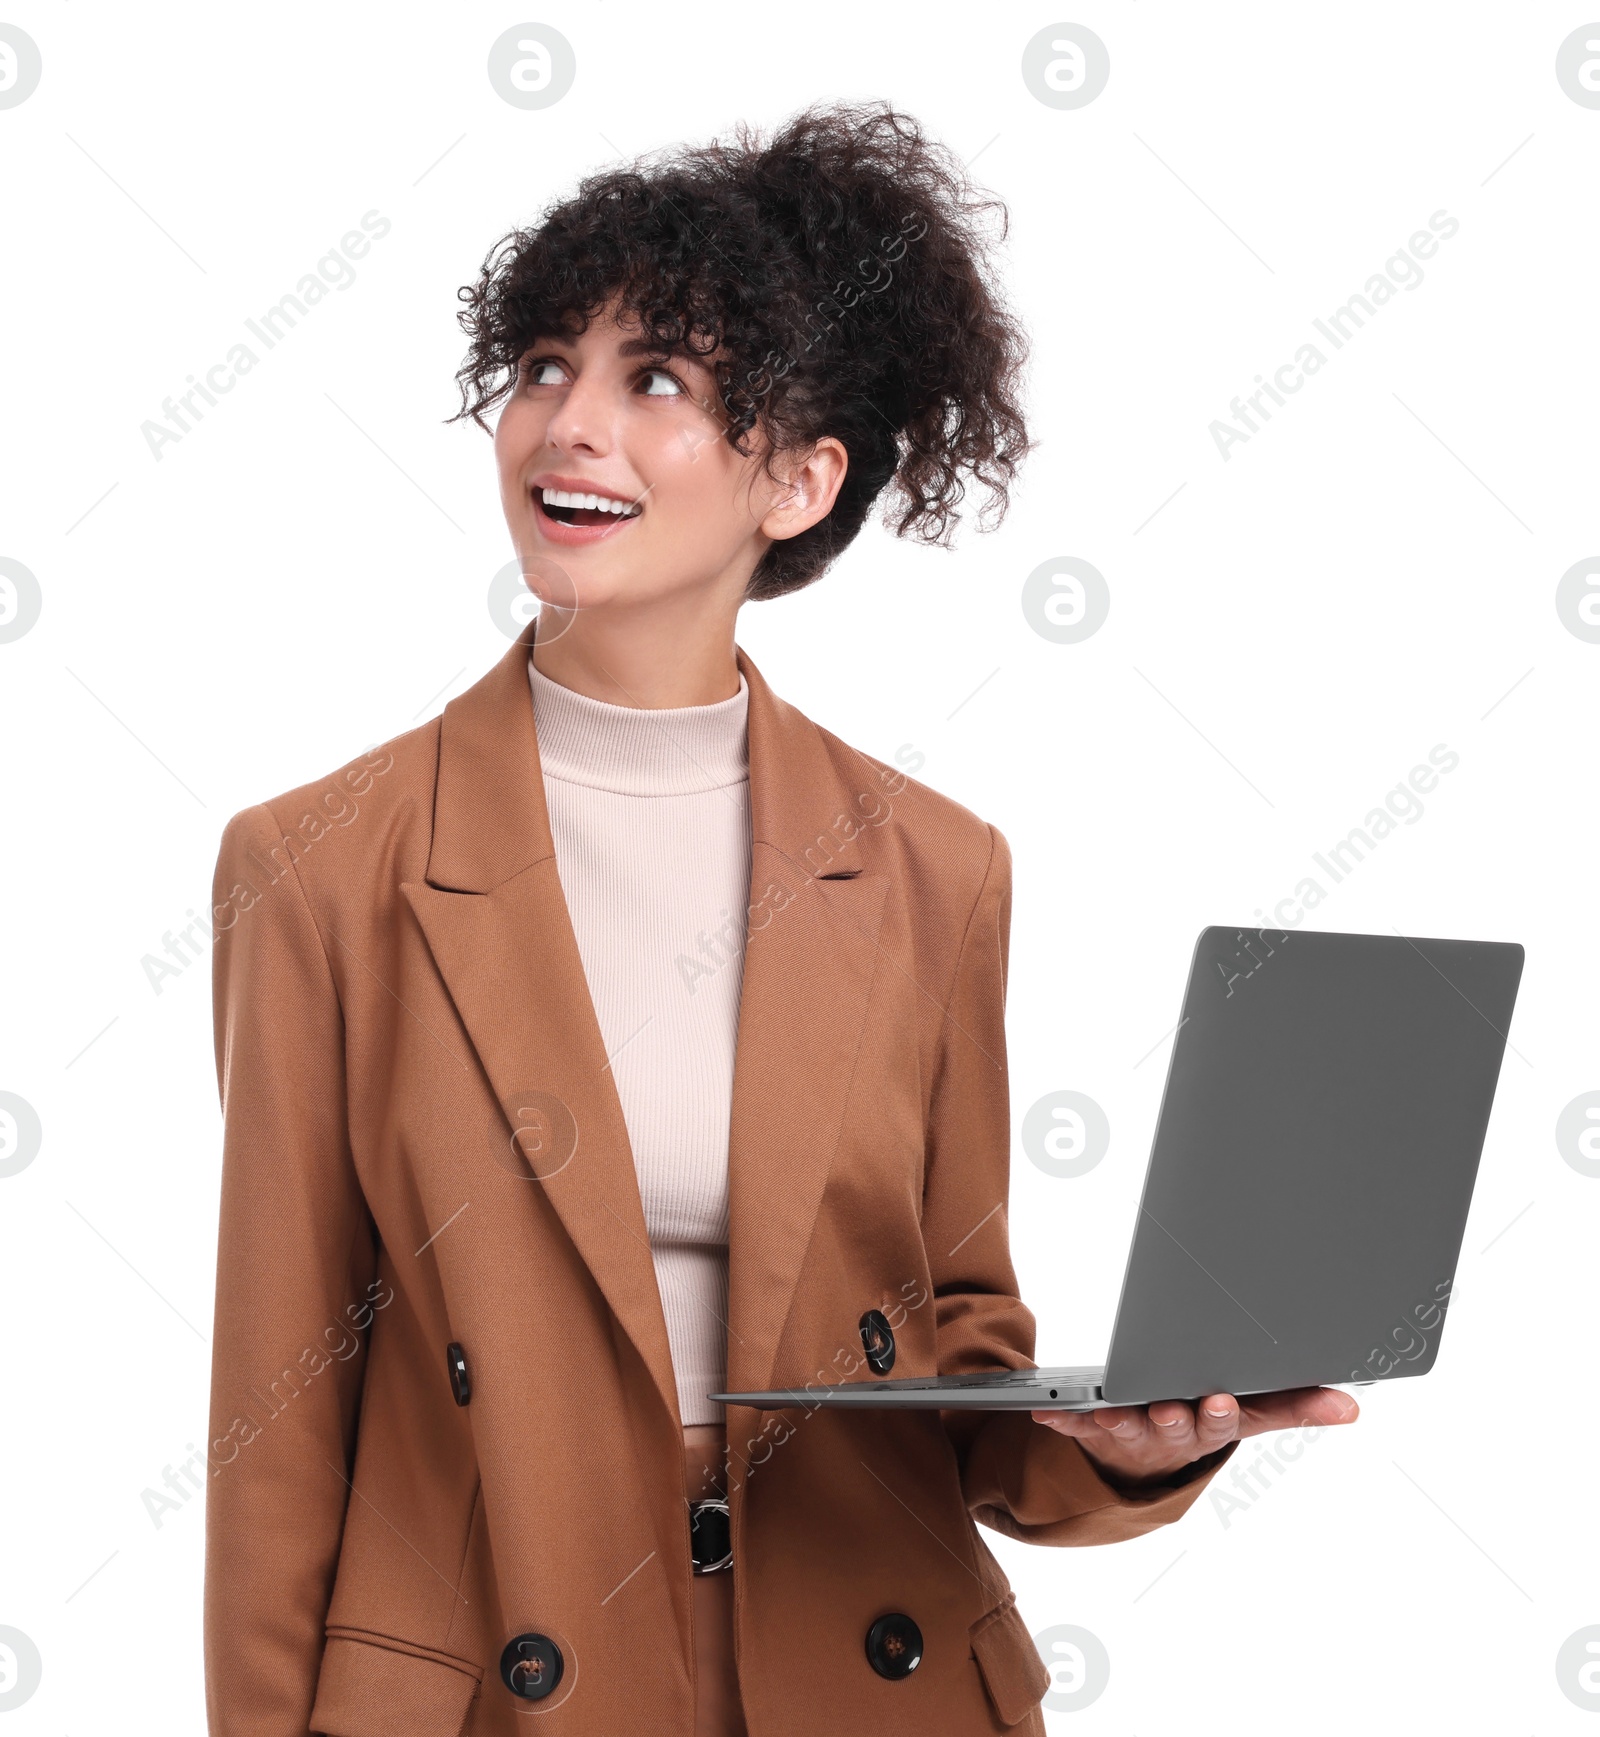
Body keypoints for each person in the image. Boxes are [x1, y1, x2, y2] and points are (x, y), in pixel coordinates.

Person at [203, 99, 1357, 1737]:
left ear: (800, 481)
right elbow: (277, 1411)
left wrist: (1125, 1442)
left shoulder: (936, 868)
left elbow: (958, 1361)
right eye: (543, 365)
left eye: (655, 381)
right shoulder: (320, 865)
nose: (567, 426)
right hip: (497, 1677)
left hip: (864, 1666)